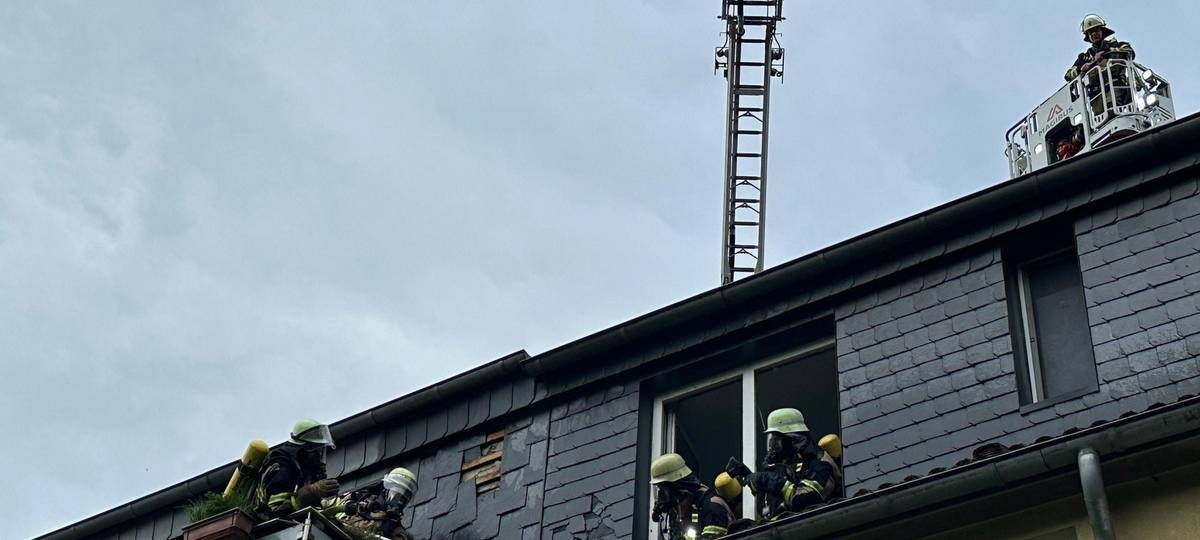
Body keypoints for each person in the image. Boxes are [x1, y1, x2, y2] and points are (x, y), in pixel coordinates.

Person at [743, 408, 840, 519]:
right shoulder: (783, 473)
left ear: (793, 440)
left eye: (776, 439)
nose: (772, 445)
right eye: (771, 439)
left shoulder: (819, 466)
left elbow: (805, 500)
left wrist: (774, 482)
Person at [256, 418, 340, 518]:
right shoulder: (283, 464)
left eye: (321, 451)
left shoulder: (306, 471)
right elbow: (275, 508)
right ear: (305, 449)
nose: (318, 455)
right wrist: (311, 492)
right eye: (316, 450)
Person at [650, 454, 735, 540]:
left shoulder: (711, 508)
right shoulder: (676, 513)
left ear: (677, 490)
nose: (660, 496)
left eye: (662, 490)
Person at [339, 467, 418, 540]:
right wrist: (357, 506)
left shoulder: (395, 528)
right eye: (397, 495)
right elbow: (337, 510)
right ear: (386, 490)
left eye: (403, 499)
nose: (399, 502)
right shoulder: (361, 497)